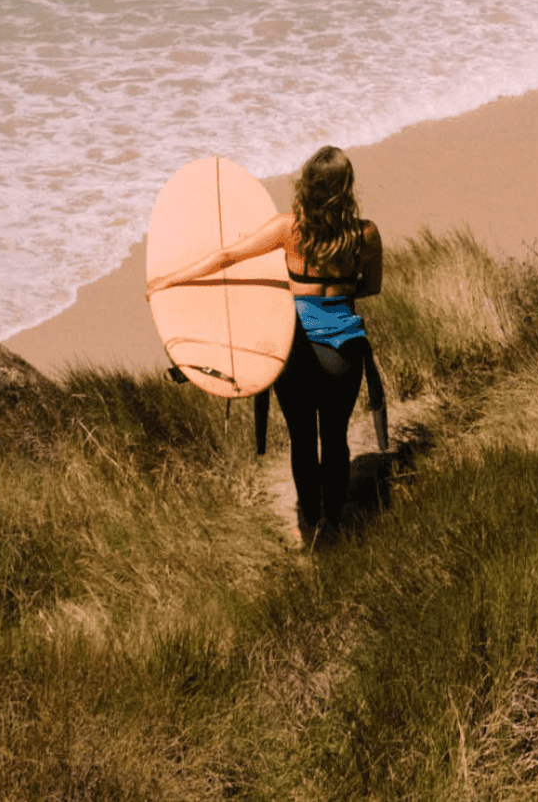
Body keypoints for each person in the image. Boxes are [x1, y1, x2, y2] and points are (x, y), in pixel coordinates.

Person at [148, 145, 384, 544]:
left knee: (303, 442)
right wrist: (336, 291)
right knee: (337, 438)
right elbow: (372, 287)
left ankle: (308, 522)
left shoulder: (287, 229)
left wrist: (169, 280)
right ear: (346, 188)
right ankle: (335, 523)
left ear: (307, 186)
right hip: (342, 350)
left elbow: (226, 256)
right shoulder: (365, 233)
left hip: (295, 352)